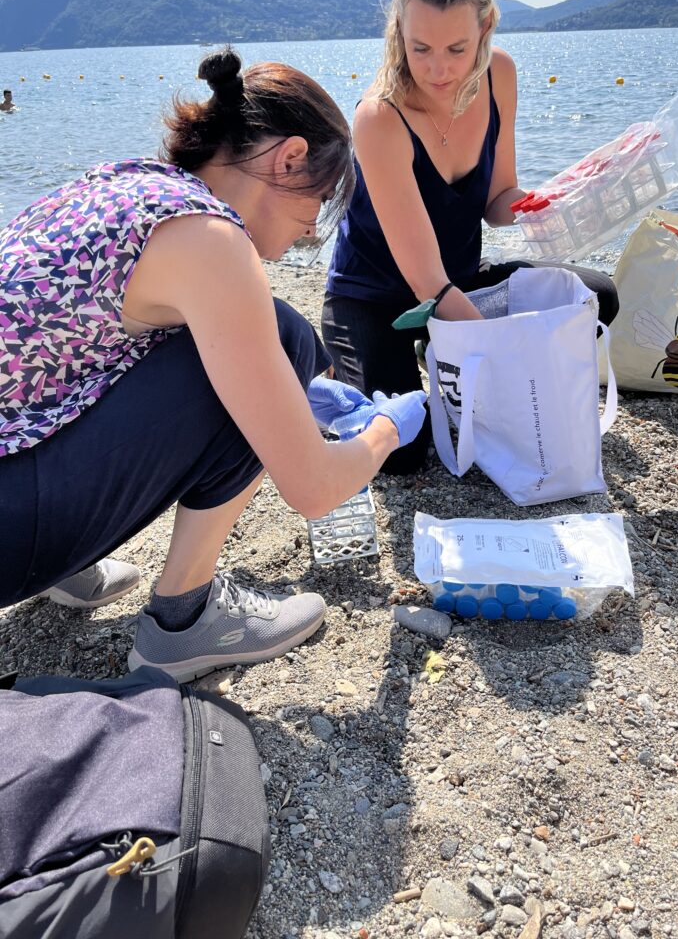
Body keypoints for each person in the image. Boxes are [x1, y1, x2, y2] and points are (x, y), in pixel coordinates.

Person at [0, 48, 427, 681]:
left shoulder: (126, 181)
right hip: (12, 530)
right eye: (309, 221)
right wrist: (388, 428)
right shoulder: (212, 240)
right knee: (285, 337)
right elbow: (312, 490)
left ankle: (69, 568)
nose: (296, 245)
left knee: (257, 346)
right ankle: (184, 619)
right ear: (288, 159)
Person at [321, 0, 619, 474]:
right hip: (377, 296)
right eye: (420, 48)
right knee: (404, 454)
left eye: (457, 48)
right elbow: (426, 282)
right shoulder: (378, 118)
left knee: (595, 297)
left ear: (486, 25)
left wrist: (545, 202)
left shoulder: (500, 74)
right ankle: (339, 362)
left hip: (458, 281)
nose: (439, 69)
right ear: (398, 31)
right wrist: (512, 352)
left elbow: (497, 199)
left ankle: (440, 353)